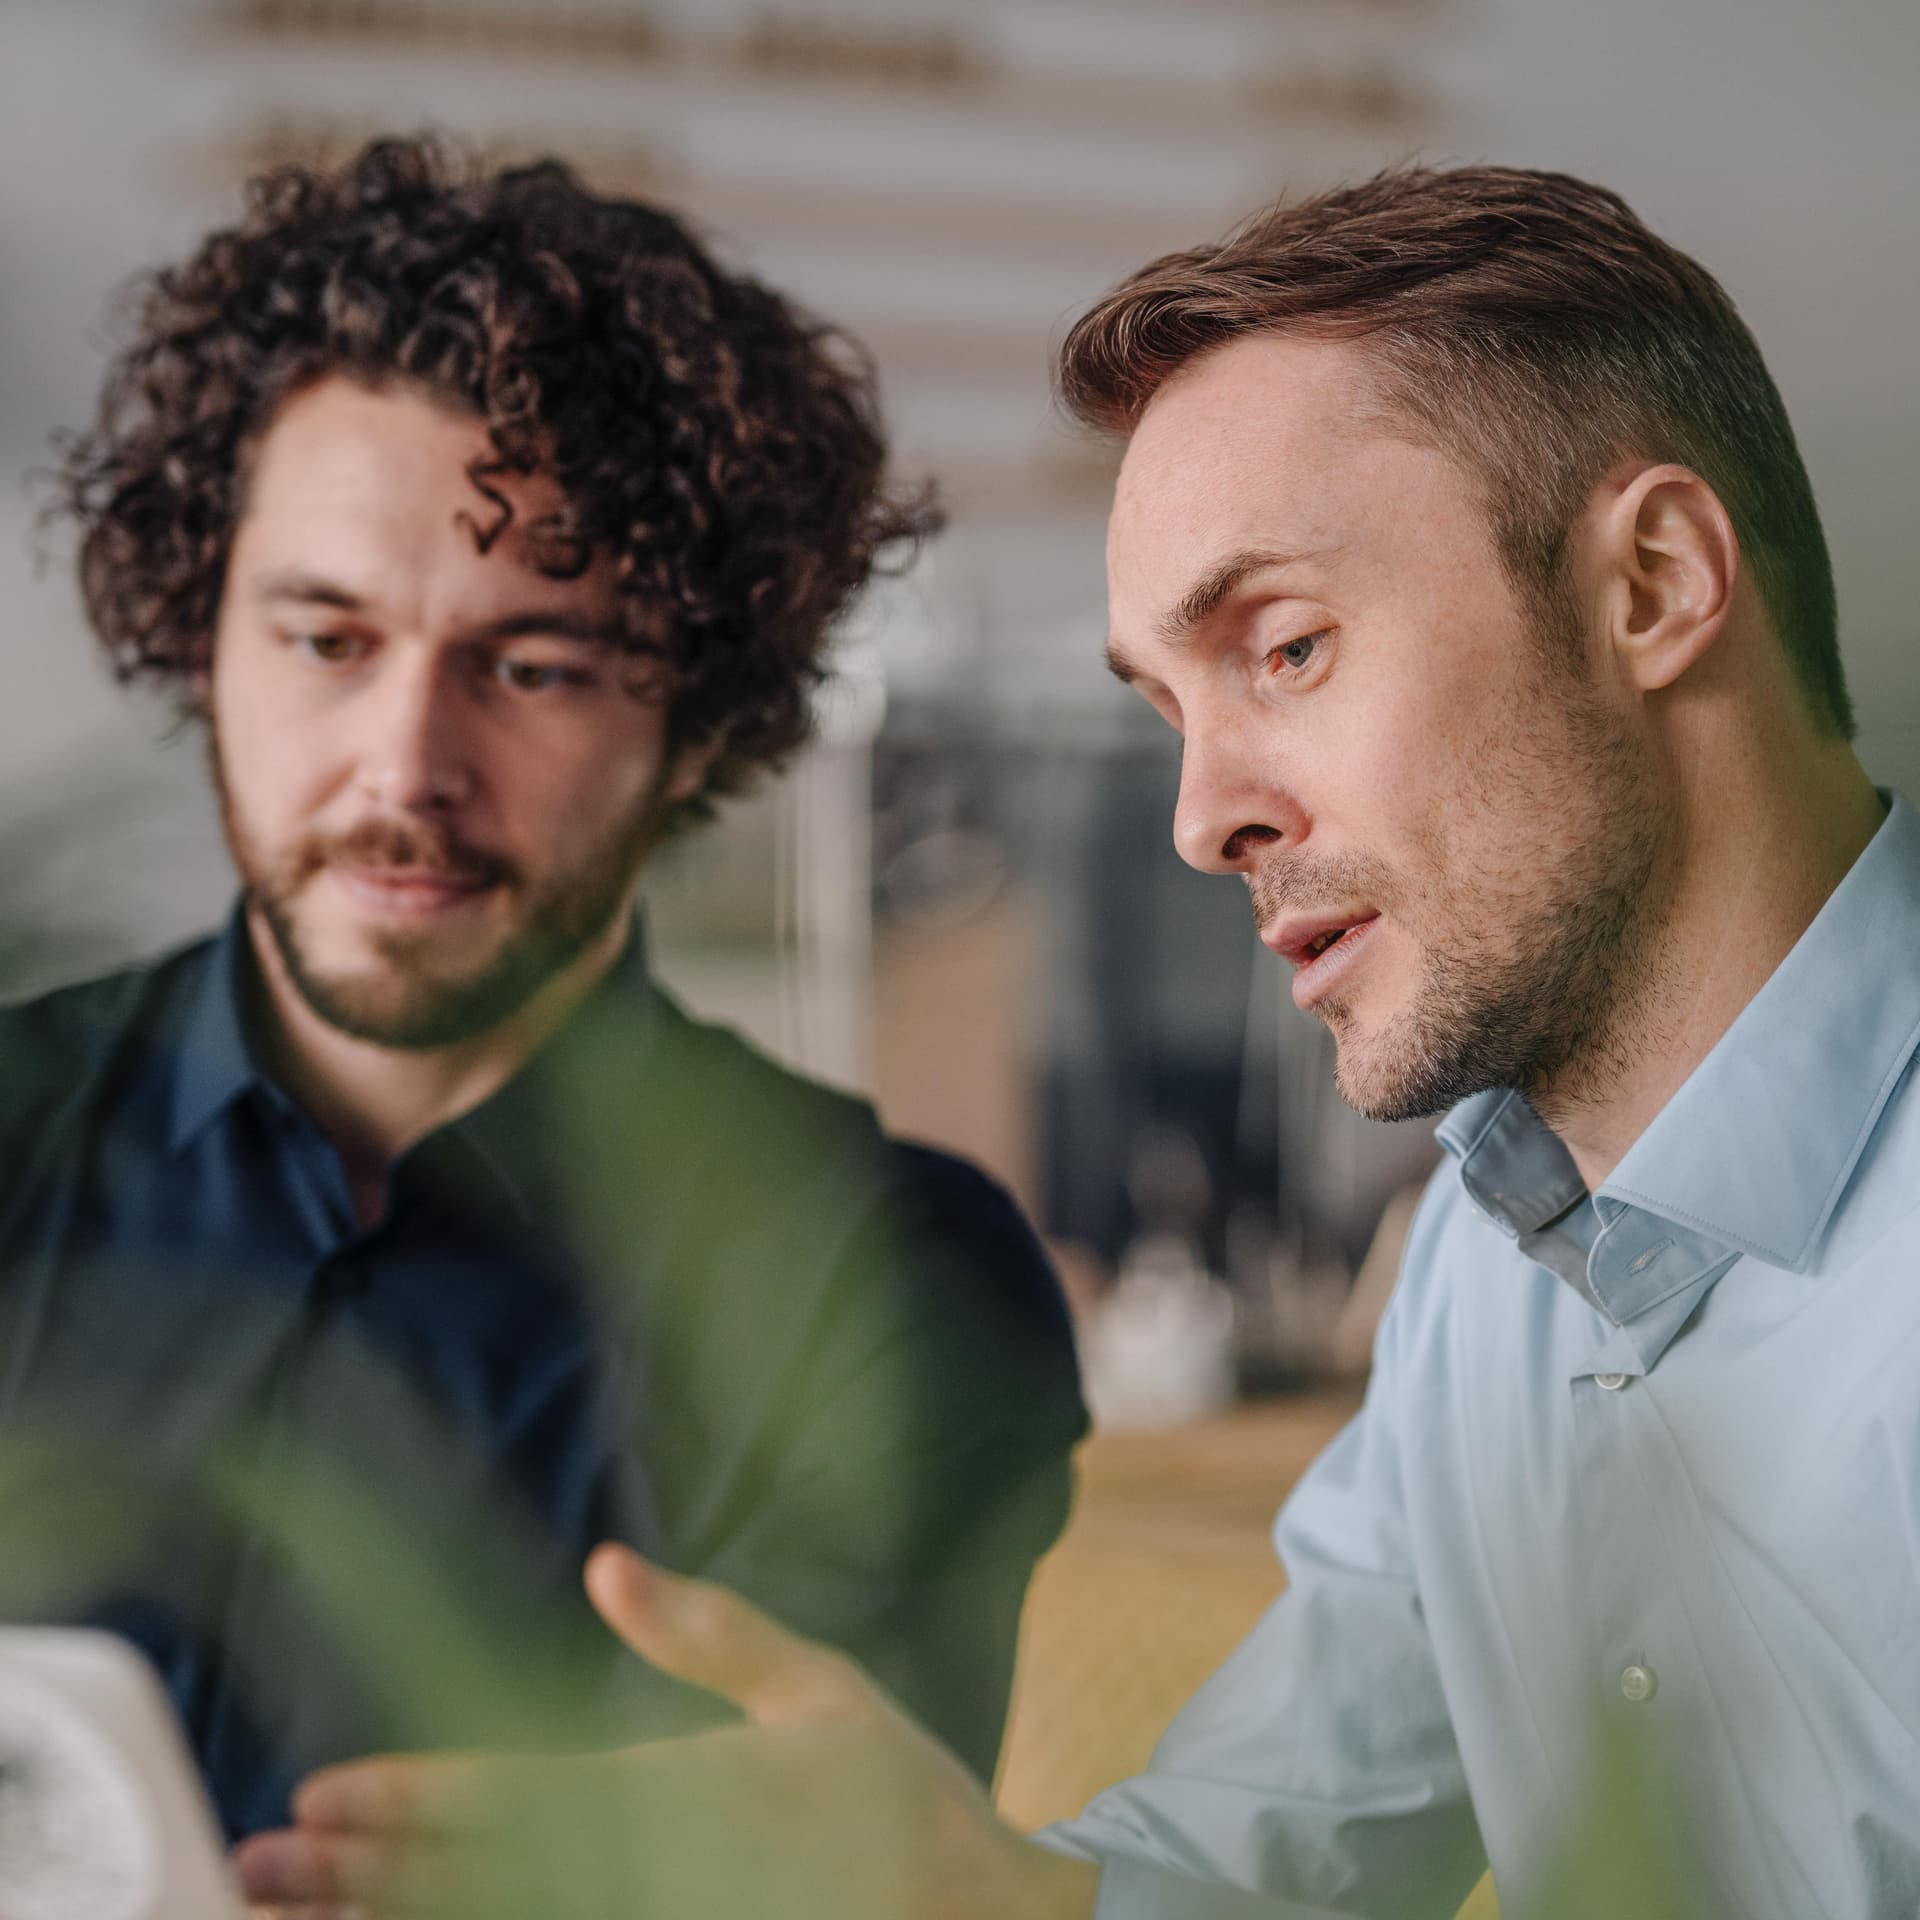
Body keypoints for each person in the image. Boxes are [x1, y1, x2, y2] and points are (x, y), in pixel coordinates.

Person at [240, 162, 1920, 1919]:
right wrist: (960, 1892)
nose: (1201, 819)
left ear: (1652, 584)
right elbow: (1261, 1866)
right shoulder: (1489, 1275)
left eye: (1286, 648)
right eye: (1169, 709)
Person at [0, 136, 1085, 1843]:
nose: (406, 765)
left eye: (532, 664)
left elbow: (821, 1864)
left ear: (699, 725)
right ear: (194, 634)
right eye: (325, 640)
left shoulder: (885, 1287)